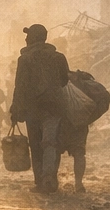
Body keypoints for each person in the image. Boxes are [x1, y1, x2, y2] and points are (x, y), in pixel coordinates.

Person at [9, 24, 70, 193]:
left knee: (36, 145)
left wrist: (15, 109)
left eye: (28, 36)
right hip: (55, 108)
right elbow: (64, 80)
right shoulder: (59, 57)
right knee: (51, 143)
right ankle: (50, 178)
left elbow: (20, 86)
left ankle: (39, 181)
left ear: (34, 38)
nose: (26, 39)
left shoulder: (25, 59)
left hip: (33, 109)